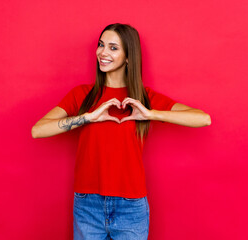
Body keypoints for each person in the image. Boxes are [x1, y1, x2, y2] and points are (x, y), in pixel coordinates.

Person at [31, 23, 211, 240]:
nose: (103, 53)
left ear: (128, 57)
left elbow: (203, 118)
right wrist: (87, 117)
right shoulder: (82, 95)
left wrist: (151, 114)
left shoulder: (144, 98)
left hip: (131, 207)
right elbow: (38, 130)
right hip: (88, 204)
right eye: (101, 45)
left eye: (113, 48)